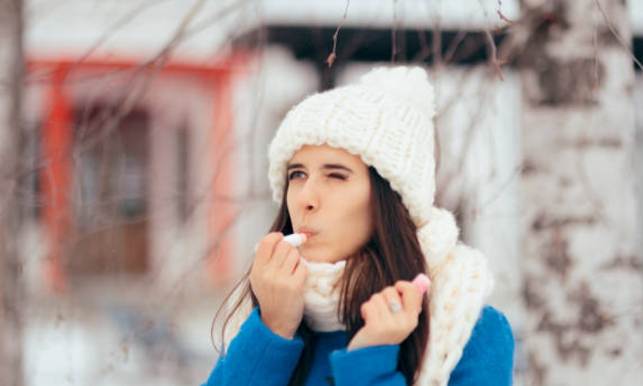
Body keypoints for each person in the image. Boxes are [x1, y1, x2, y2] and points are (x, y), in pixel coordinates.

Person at [202, 66, 514, 386]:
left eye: (336, 176)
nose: (305, 199)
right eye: (297, 174)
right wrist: (273, 330)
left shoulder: (470, 331)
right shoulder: (266, 317)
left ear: (391, 199)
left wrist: (370, 361)